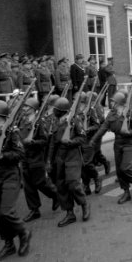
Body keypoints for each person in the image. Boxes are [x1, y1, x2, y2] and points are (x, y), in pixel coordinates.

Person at [0, 100, 31, 261]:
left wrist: (3, 156)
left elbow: (20, 154)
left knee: (6, 211)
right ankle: (9, 245)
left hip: (11, 175)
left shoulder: (12, 131)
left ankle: (23, 232)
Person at [90, 91, 132, 204]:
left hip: (129, 143)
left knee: (126, 167)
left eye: (114, 102)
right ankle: (126, 192)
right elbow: (103, 128)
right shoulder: (112, 114)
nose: (112, 104)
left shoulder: (129, 112)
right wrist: (93, 140)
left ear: (120, 103)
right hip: (117, 142)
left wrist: (128, 132)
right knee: (119, 170)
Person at [47, 97, 90, 227]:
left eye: (56, 109)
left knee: (73, 184)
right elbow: (52, 144)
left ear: (61, 111)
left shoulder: (74, 120)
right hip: (59, 158)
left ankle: (84, 204)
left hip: (72, 156)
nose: (53, 111)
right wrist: (49, 161)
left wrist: (71, 142)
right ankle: (69, 213)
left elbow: (82, 137)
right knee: (61, 186)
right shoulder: (55, 122)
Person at [18, 98, 59, 223]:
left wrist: (33, 142)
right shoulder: (22, 121)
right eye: (24, 107)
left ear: (33, 109)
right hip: (25, 157)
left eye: (27, 107)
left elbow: (45, 141)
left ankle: (55, 195)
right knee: (28, 186)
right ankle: (34, 210)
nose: (24, 109)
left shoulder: (39, 123)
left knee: (40, 182)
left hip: (36, 157)